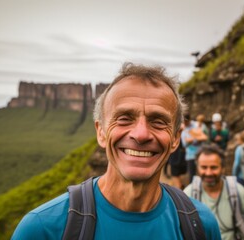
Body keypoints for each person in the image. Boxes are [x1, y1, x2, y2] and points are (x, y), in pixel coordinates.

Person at [12, 63, 221, 239]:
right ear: (101, 132)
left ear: (176, 138)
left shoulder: (200, 225)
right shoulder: (41, 229)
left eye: (158, 122)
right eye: (124, 118)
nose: (141, 134)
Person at [184, 144, 244, 240]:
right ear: (197, 168)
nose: (208, 173)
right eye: (204, 167)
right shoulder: (188, 196)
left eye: (213, 167)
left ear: (223, 168)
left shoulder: (239, 192)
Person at [181, 114, 208, 183]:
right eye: (183, 122)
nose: (185, 124)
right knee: (192, 176)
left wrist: (192, 139)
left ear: (189, 120)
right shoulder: (183, 128)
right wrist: (196, 138)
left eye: (186, 122)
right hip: (190, 155)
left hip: (200, 154)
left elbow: (205, 137)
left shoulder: (197, 125)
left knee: (203, 173)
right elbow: (184, 144)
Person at [166, 123, 187, 189]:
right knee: (177, 176)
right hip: (180, 158)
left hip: (176, 159)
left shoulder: (175, 136)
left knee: (175, 176)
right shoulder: (184, 134)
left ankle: (180, 190)